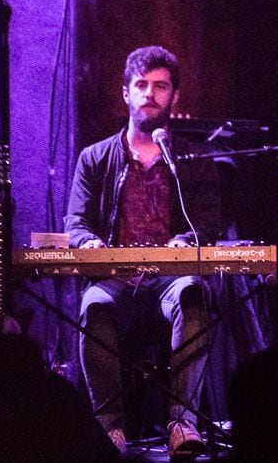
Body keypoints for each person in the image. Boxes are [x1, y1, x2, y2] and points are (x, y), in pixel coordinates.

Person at [65, 45, 223, 457]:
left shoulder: (194, 160)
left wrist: (186, 241)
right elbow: (76, 223)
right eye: (141, 85)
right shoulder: (94, 158)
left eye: (160, 86)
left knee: (194, 293)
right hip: (117, 281)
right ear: (126, 93)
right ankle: (109, 429)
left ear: (175, 96)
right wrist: (89, 243)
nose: (150, 93)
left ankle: (182, 423)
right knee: (94, 305)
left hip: (170, 281)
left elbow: (209, 223)